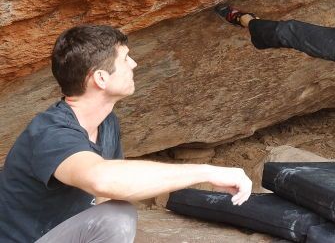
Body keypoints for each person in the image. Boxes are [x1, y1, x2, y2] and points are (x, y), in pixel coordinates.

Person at [0, 25, 252, 243]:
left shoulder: (107, 123)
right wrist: (208, 172)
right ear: (100, 78)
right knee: (117, 217)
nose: (134, 64)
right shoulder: (51, 132)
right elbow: (102, 179)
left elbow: (105, 195)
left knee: (113, 209)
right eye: (125, 59)